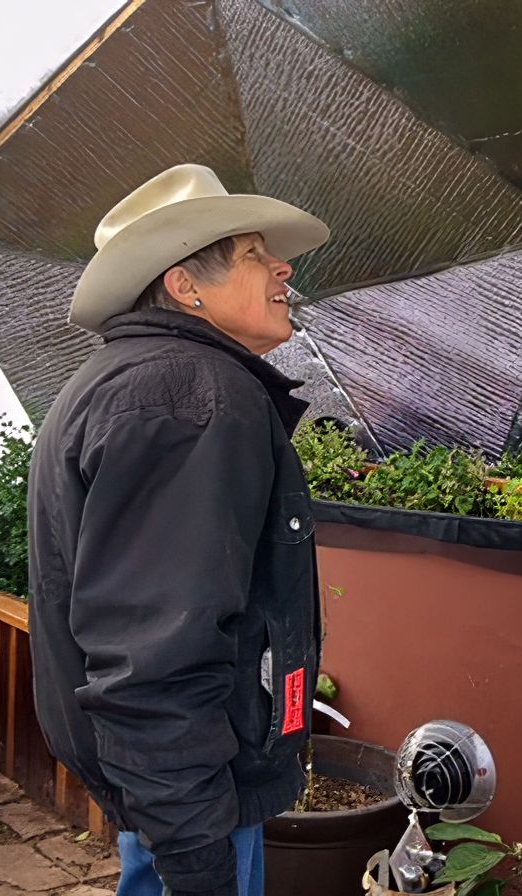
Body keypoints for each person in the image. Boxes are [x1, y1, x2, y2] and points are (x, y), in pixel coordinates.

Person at [27, 164, 331, 896]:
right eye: (257, 253)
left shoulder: (136, 380)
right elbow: (155, 656)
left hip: (175, 787)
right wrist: (197, 857)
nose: (284, 267)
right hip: (197, 798)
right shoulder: (189, 398)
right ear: (184, 286)